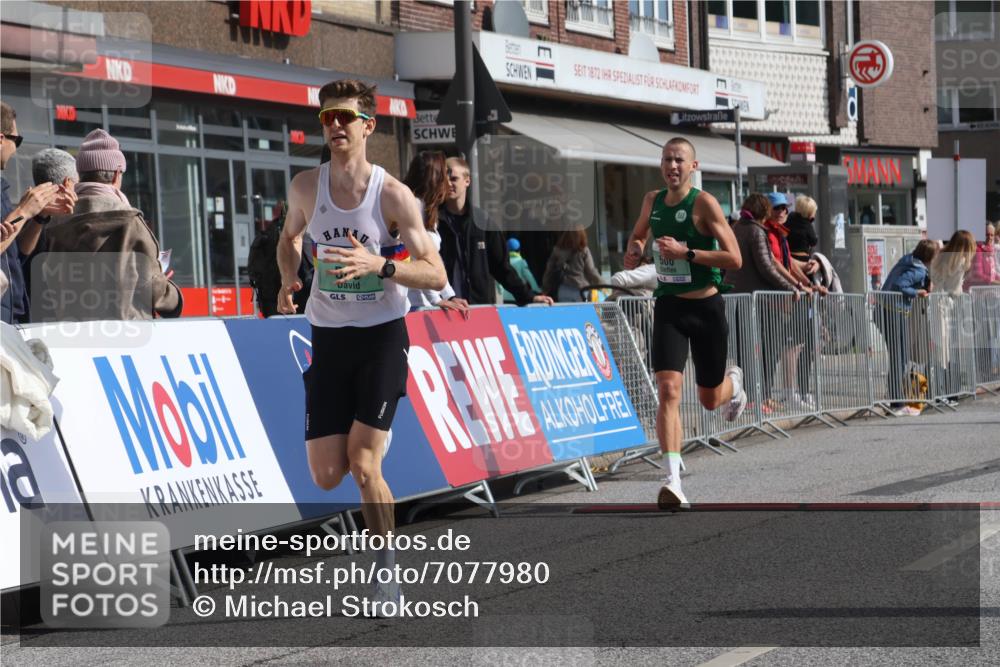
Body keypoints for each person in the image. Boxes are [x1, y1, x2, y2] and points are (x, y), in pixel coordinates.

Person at [276, 79, 447, 609]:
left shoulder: (393, 195)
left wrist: (381, 265)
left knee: (364, 464)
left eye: (345, 117)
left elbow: (435, 272)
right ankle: (371, 442)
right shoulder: (306, 186)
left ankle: (388, 576)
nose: (334, 127)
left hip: (381, 339)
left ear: (368, 126)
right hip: (328, 339)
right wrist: (288, 279)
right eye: (327, 117)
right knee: (329, 477)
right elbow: (290, 238)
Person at [622, 137, 745, 509]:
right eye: (666, 160)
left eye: (679, 160)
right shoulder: (652, 201)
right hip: (669, 307)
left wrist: (686, 253)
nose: (672, 166)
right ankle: (673, 480)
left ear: (694, 167)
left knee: (709, 400)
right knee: (669, 391)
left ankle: (734, 385)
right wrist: (635, 248)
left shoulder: (704, 204)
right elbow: (639, 232)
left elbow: (734, 258)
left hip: (706, 308)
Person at [38, 129, 182, 322]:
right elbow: (154, 288)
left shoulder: (57, 222)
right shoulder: (130, 221)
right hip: (126, 336)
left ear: (80, 174)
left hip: (74, 336)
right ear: (116, 175)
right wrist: (175, 298)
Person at [438, 157, 553, 306]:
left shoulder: (483, 221)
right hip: (443, 309)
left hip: (478, 308)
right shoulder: (434, 220)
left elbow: (501, 267)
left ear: (467, 180)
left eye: (454, 178)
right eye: (444, 179)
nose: (448, 184)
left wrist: (528, 296)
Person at [1, 102, 76, 323]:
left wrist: (39, 217)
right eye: (17, 140)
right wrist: (24, 211)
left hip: (12, 317)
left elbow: (17, 252)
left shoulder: (2, 189)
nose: (17, 149)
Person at [400, 150, 468, 314]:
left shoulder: (428, 208)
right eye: (446, 173)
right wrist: (437, 299)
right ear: (435, 177)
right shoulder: (413, 205)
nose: (448, 181)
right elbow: (418, 258)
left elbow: (432, 261)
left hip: (421, 302)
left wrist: (449, 295)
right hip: (410, 304)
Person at [876, 239, 938, 416]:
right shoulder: (917, 269)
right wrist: (917, 292)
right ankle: (896, 403)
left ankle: (895, 398)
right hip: (892, 311)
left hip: (887, 310)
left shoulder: (909, 260)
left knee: (900, 356)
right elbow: (899, 285)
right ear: (930, 257)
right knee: (899, 357)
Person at [541, 227, 603, 302]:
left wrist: (545, 289)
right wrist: (602, 285)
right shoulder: (584, 250)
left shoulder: (557, 250)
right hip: (581, 290)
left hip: (563, 290)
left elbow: (549, 272)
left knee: (567, 313)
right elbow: (591, 271)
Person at [500, 237, 541, 303]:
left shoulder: (503, 262)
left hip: (505, 297)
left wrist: (500, 291)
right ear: (519, 250)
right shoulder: (521, 262)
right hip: (519, 295)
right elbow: (529, 277)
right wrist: (537, 289)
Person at [786, 194, 819, 263]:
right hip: (802, 258)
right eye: (814, 212)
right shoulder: (807, 224)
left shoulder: (790, 218)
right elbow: (813, 241)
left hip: (789, 256)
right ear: (809, 212)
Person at [965, 223, 999, 288]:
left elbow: (993, 274)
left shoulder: (992, 250)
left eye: (992, 235)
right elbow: (978, 274)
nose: (989, 237)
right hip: (976, 291)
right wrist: (995, 282)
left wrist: (998, 279)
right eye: (987, 234)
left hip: (987, 289)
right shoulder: (977, 250)